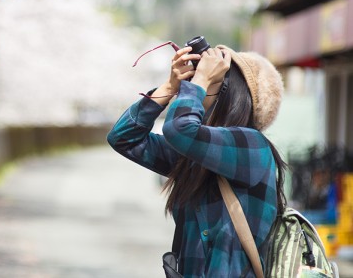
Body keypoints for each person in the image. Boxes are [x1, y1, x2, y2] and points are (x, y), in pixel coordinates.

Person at [107, 45, 287, 278]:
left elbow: (179, 129)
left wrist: (199, 79)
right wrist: (169, 86)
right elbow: (123, 138)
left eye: (206, 81)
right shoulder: (195, 157)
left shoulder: (252, 146)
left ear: (230, 93)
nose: (192, 89)